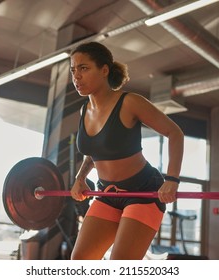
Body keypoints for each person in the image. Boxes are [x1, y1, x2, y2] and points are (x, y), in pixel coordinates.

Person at [69, 41, 184, 260]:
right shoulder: (84, 110)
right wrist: (80, 177)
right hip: (107, 193)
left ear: (104, 70)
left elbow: (174, 133)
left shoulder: (129, 102)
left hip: (143, 192)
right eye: (73, 70)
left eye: (84, 68)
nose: (76, 76)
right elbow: (95, 150)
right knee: (79, 260)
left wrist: (172, 179)